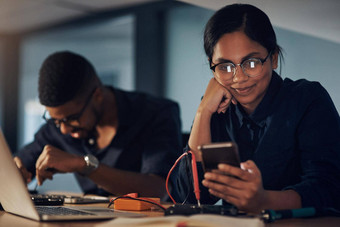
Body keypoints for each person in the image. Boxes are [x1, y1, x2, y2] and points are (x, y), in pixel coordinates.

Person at [172, 4, 340, 213]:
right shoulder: (215, 108)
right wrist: (202, 112)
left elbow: (329, 189)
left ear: (274, 58)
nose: (239, 78)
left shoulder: (307, 99)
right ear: (212, 67)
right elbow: (188, 198)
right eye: (225, 66)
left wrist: (264, 201)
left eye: (251, 63)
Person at [14, 51, 182, 198]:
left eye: (72, 118)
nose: (64, 129)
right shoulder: (58, 126)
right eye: (56, 120)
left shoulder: (156, 113)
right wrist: (15, 171)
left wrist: (84, 165)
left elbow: (159, 189)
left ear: (98, 95)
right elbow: (19, 162)